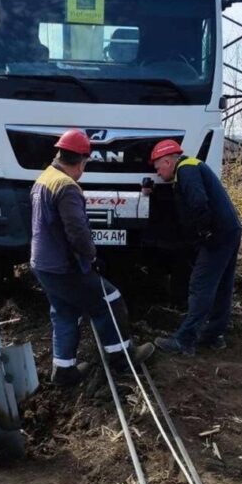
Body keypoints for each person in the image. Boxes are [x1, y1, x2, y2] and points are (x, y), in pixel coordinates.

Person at [30, 129, 154, 386]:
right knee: (110, 300)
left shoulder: (45, 178)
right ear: (82, 160)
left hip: (42, 264)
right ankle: (123, 359)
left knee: (64, 311)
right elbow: (77, 230)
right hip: (64, 266)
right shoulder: (67, 187)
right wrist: (91, 256)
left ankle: (63, 371)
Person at [150, 139, 242, 357]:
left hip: (218, 235)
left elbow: (198, 203)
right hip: (230, 230)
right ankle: (213, 336)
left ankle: (184, 340)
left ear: (167, 161)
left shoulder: (186, 169)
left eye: (158, 168)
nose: (158, 174)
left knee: (201, 284)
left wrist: (204, 233)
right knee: (222, 285)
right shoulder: (191, 167)